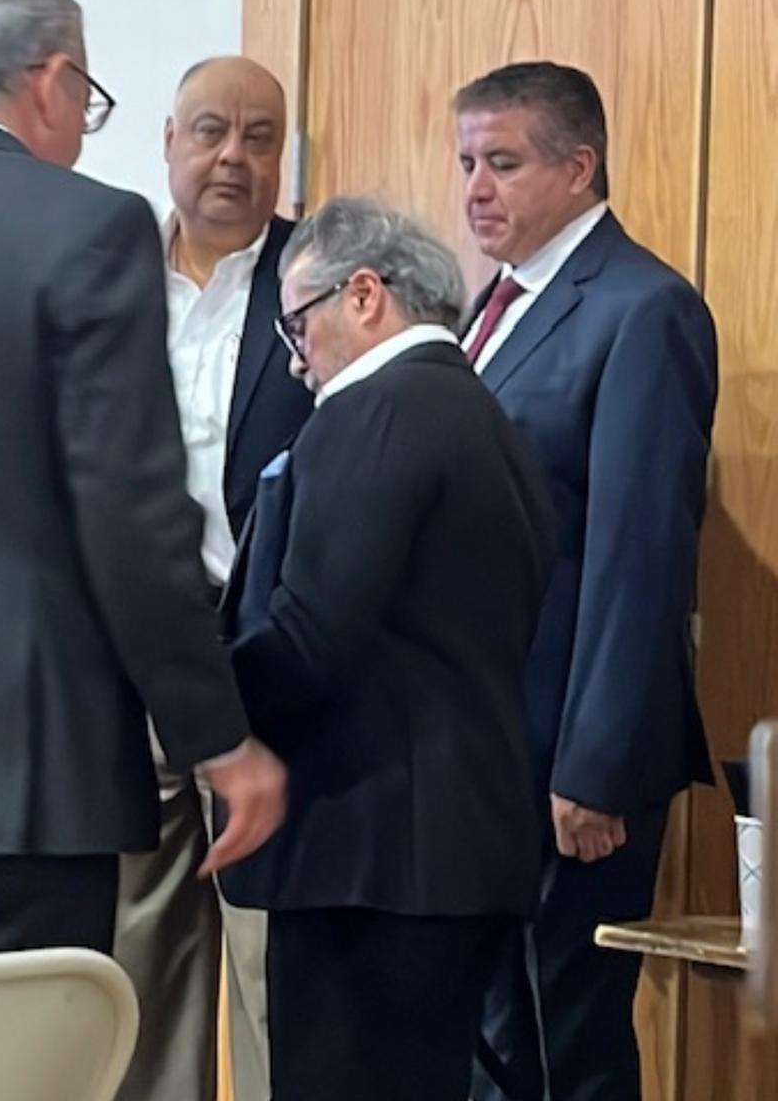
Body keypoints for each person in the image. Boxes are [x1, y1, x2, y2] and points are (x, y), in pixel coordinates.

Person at [0, 0, 286, 960]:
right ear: (52, 82)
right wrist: (215, 736)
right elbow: (127, 510)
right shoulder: (83, 227)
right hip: (21, 778)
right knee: (18, 1039)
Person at [217, 196, 557, 1101]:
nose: (296, 362)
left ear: (363, 295)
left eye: (298, 325)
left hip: (365, 864)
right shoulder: (482, 417)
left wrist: (195, 704)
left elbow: (309, 639)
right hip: (453, 853)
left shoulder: (372, 411)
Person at [454, 61, 717, 1101]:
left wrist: (597, 765)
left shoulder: (642, 307)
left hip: (570, 755)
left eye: (503, 162)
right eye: (467, 163)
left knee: (565, 1044)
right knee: (491, 1039)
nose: (477, 188)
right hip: (483, 747)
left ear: (578, 166)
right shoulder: (491, 303)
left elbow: (639, 552)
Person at [113, 56, 311, 1101]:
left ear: (285, 157)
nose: (233, 155)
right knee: (134, 974)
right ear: (167, 140)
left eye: (260, 135)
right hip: (132, 668)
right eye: (209, 130)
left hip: (267, 672)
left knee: (271, 974)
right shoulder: (106, 276)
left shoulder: (321, 280)